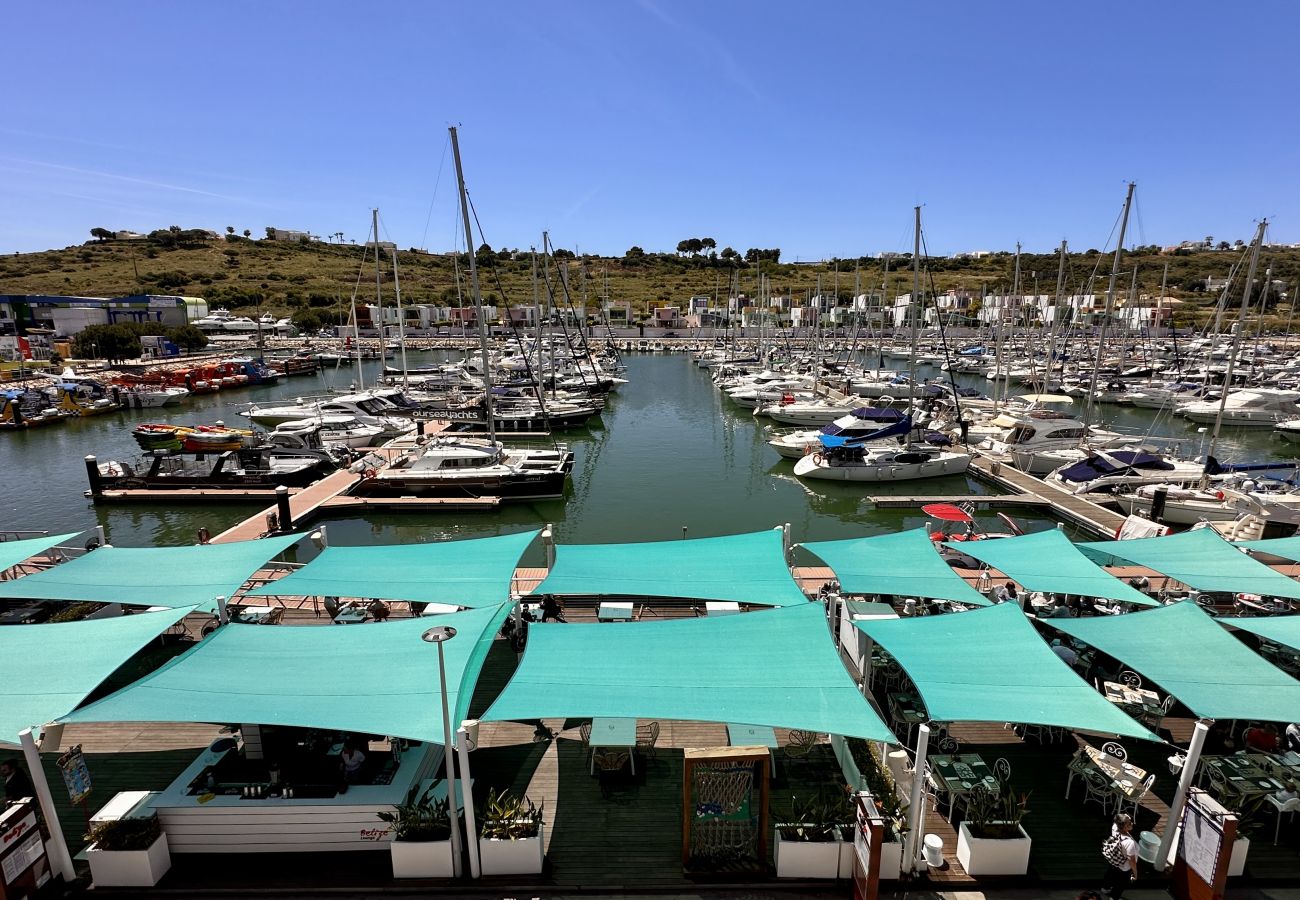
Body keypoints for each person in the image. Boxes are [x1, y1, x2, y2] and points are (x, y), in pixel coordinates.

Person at [1101, 812, 1138, 898]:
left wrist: (1124, 817)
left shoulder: (1115, 827)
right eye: (1129, 823)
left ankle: (1105, 888)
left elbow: (1118, 819)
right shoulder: (1129, 843)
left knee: (1110, 874)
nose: (1132, 823)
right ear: (1124, 826)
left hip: (1114, 860)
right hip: (1124, 866)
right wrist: (1135, 874)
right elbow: (1132, 861)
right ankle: (1114, 897)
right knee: (1120, 884)